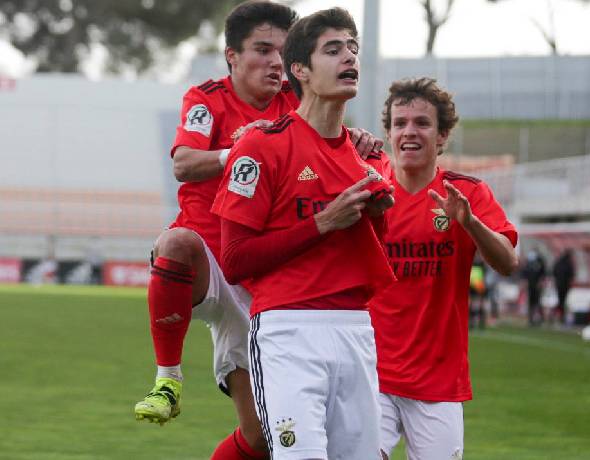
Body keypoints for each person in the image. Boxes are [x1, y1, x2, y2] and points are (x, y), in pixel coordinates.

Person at [212, 8, 395, 459]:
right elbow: (234, 261)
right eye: (332, 49)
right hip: (288, 331)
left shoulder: (367, 158)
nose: (349, 57)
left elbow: (372, 252)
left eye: (352, 47)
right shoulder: (261, 145)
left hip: (355, 329)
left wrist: (376, 216)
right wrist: (321, 223)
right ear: (300, 70)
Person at [133, 3, 299, 459]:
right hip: (213, 262)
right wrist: (241, 149)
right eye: (262, 50)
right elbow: (184, 163)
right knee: (176, 242)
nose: (275, 62)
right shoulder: (206, 98)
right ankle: (168, 379)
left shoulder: (300, 100)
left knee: (262, 438)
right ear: (232, 56)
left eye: (282, 52)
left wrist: (358, 139)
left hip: (268, 273)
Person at [368, 77, 518, 460]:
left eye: (422, 123)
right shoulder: (370, 194)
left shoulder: (467, 193)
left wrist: (469, 223)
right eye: (400, 123)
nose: (409, 132)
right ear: (388, 133)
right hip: (371, 375)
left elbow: (507, 261)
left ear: (442, 136)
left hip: (438, 381)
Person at [522, 248, 546, 326]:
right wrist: (525, 282)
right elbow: (524, 273)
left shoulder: (540, 261)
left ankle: (539, 318)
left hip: (537, 285)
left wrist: (541, 282)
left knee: (537, 302)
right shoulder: (528, 262)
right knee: (531, 302)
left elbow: (543, 273)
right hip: (530, 285)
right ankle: (531, 319)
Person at [552, 249, 574, 326]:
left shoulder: (558, 262)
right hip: (565, 285)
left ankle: (556, 316)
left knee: (560, 301)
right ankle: (560, 317)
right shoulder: (569, 264)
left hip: (558, 285)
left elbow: (554, 272)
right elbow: (571, 275)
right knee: (562, 301)